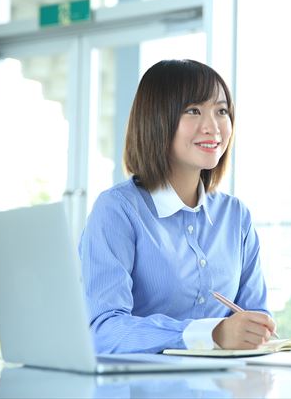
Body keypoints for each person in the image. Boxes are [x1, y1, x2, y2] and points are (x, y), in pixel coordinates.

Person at [79, 59, 276, 354]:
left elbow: (254, 317)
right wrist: (211, 334)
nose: (213, 127)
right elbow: (102, 330)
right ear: (157, 119)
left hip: (226, 379)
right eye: (193, 110)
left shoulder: (235, 216)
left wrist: (255, 330)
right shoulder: (117, 209)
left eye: (222, 111)